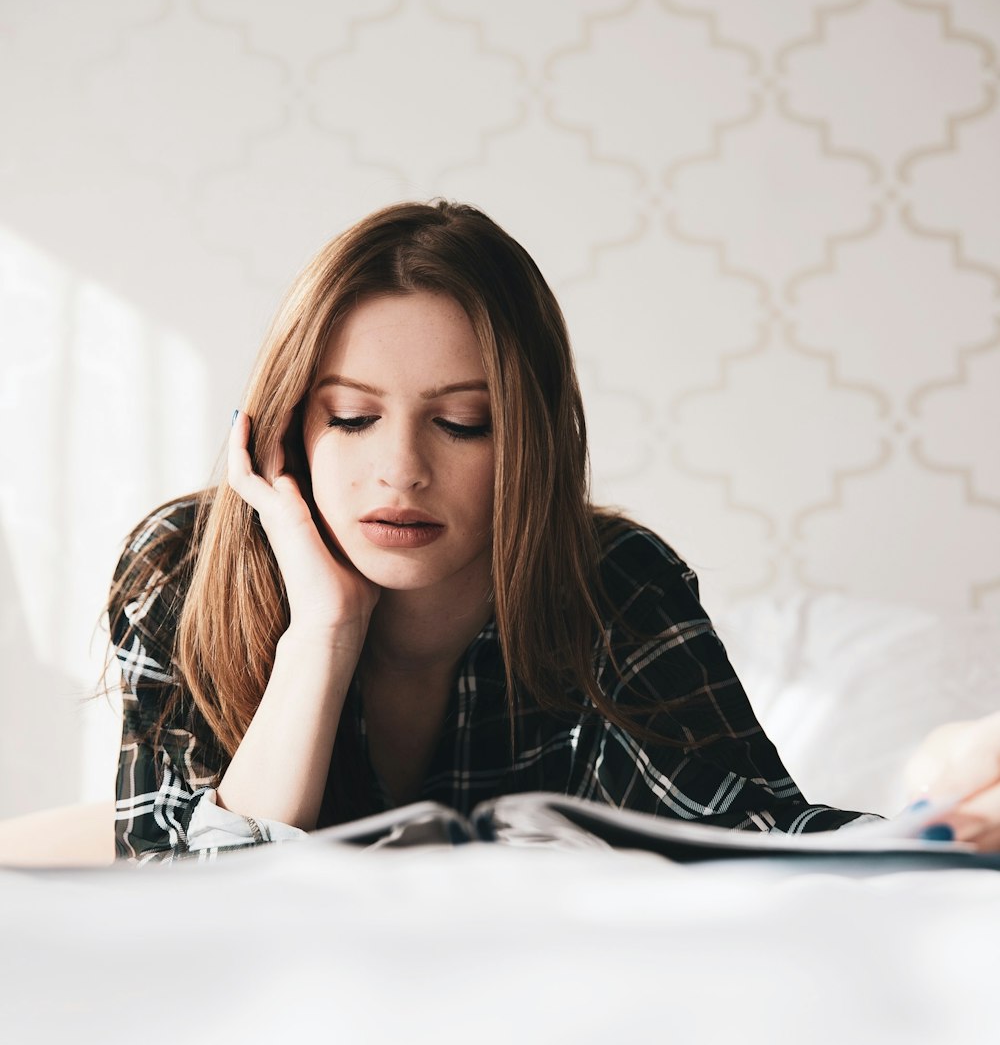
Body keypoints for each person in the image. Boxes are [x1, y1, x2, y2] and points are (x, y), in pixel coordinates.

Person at [107, 200, 1000, 861]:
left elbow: (749, 833)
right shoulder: (181, 566)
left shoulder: (613, 579)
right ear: (285, 427)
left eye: (462, 424)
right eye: (350, 419)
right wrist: (325, 631)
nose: (402, 471)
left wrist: (934, 834)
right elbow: (179, 886)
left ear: (529, 439)